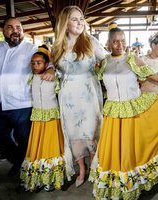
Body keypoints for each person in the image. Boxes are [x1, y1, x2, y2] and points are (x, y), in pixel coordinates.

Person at [0, 17, 54, 176]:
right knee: (0, 140)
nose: (15, 30)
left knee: (24, 140)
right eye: (10, 27)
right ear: (3, 31)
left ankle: (26, 168)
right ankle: (19, 162)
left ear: (22, 30)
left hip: (22, 105)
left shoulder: (31, 49)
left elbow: (48, 63)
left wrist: (50, 69)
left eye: (18, 27)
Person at [89, 24, 158, 199]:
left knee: (132, 148)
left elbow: (154, 77)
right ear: (108, 43)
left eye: (122, 41)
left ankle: (133, 181)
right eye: (115, 41)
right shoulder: (103, 63)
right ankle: (115, 183)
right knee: (113, 150)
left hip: (132, 111)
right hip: (113, 113)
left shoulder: (133, 59)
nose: (120, 45)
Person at [52, 6, 106, 187]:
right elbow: (54, 67)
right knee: (74, 132)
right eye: (75, 19)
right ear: (65, 23)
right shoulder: (58, 44)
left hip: (89, 93)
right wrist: (51, 71)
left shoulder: (91, 41)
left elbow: (107, 60)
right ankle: (81, 169)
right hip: (68, 97)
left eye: (82, 18)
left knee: (91, 131)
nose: (80, 22)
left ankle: (95, 166)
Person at [20, 45, 65, 192]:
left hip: (52, 118)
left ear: (46, 64)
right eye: (33, 62)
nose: (35, 65)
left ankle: (51, 180)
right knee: (37, 148)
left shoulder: (55, 76)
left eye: (39, 62)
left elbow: (57, 68)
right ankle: (37, 179)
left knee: (51, 148)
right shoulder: (30, 77)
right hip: (38, 119)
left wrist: (52, 68)